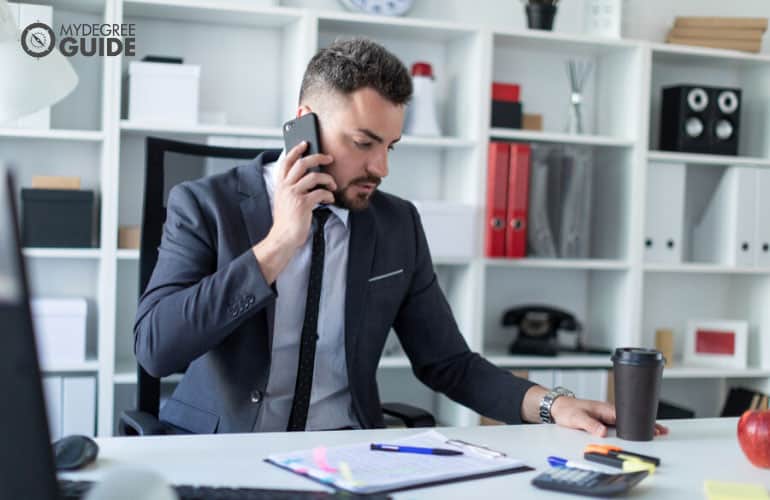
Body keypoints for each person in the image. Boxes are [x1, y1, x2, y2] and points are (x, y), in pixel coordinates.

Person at [135, 37, 667, 437]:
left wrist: (554, 405)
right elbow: (156, 348)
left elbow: (449, 363)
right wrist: (277, 246)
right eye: (364, 142)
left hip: (344, 458)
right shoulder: (205, 205)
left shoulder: (396, 225)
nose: (382, 167)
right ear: (304, 125)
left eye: (392, 145)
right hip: (222, 451)